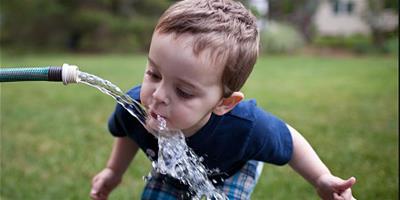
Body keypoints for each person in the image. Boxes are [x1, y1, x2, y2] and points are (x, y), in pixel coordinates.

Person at [90, 0, 356, 199]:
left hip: (232, 164)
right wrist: (114, 171)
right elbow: (127, 130)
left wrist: (321, 178)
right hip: (180, 160)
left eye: (183, 91)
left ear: (223, 103)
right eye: (154, 74)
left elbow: (289, 139)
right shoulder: (136, 106)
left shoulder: (246, 128)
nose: (158, 96)